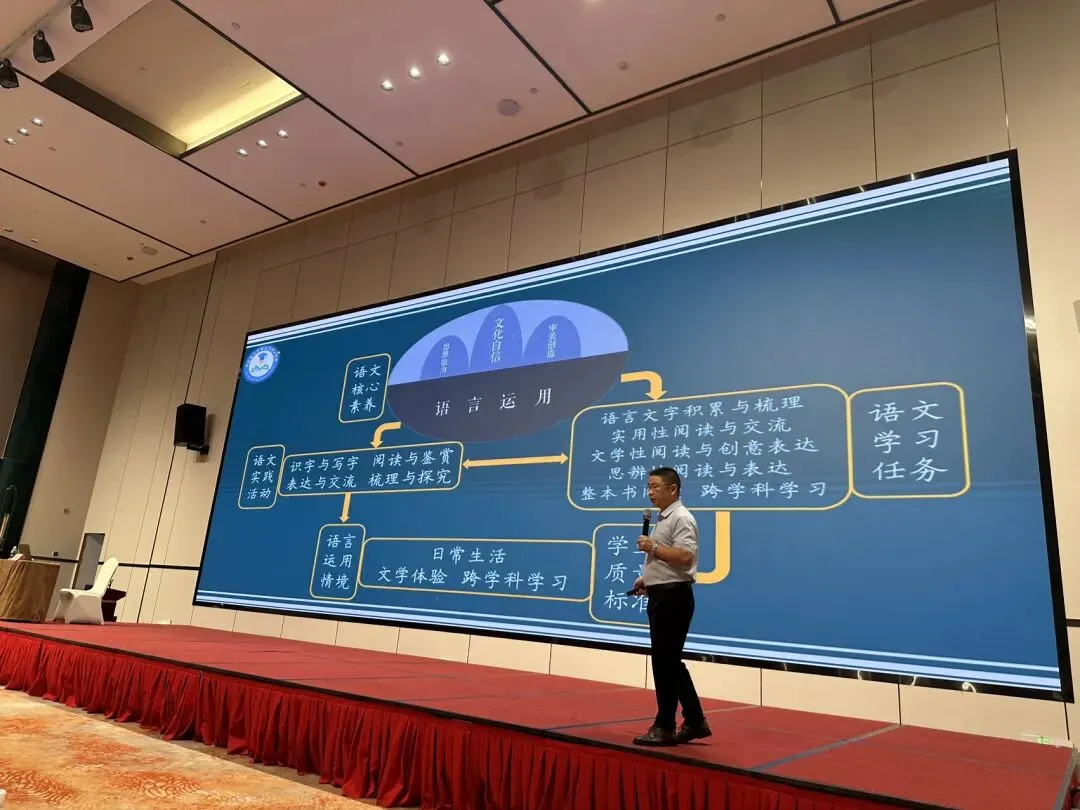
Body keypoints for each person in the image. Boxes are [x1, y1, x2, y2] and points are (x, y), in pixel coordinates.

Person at [629, 467, 710, 747]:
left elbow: (686, 557)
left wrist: (652, 547)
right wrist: (648, 579)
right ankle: (695, 721)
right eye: (648, 487)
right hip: (663, 594)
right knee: (669, 663)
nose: (650, 492)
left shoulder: (681, 517)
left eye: (655, 487)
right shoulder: (665, 517)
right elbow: (670, 560)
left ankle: (665, 726)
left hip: (673, 598)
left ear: (673, 489)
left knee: (665, 664)